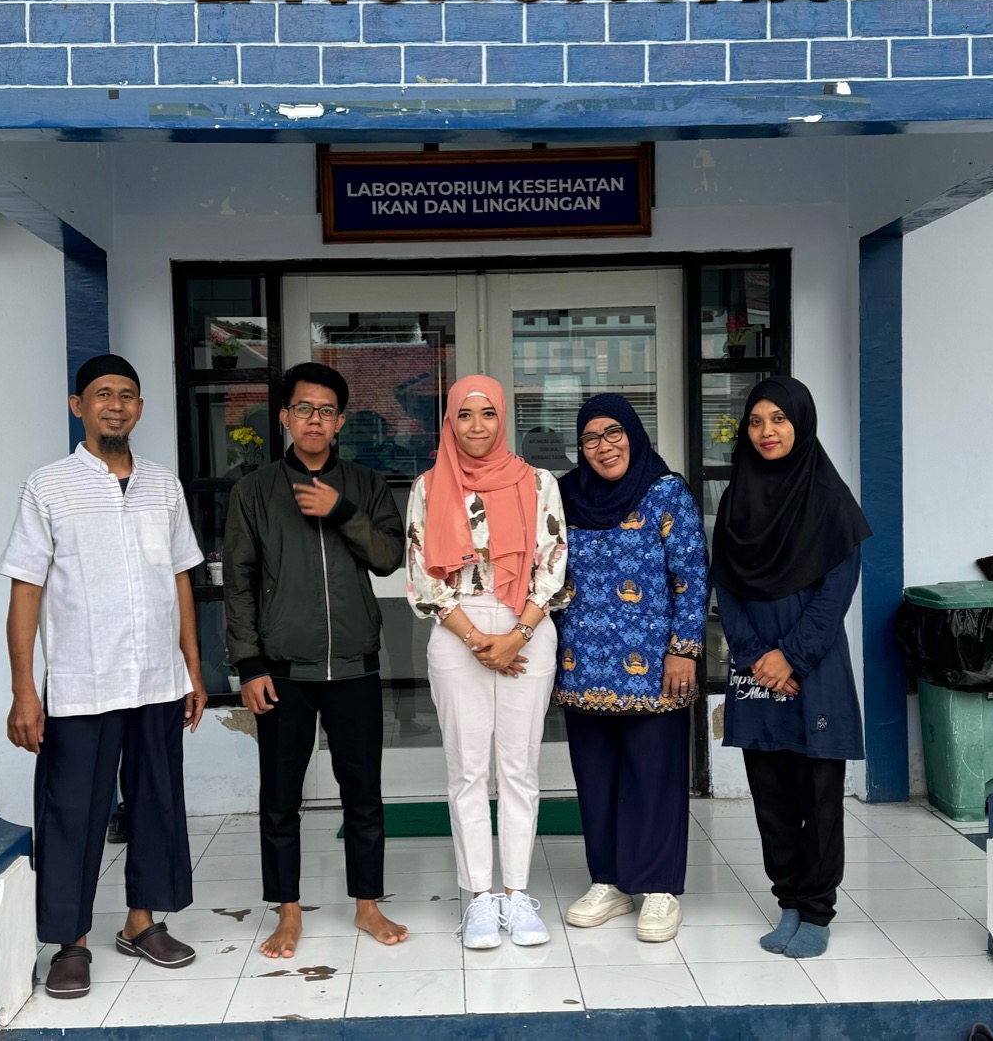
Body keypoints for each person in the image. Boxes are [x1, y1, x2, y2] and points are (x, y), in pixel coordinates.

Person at [0, 355, 207, 1000]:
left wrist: (193, 669)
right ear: (78, 406)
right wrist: (24, 690)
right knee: (72, 813)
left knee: (156, 805)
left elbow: (180, 579)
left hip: (157, 680)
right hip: (82, 684)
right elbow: (26, 590)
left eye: (127, 395)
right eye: (102, 394)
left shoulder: (163, 486)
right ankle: (72, 942)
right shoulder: (49, 487)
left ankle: (143, 922)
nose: (115, 405)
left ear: (140, 408)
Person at [223, 361, 409, 960]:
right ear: (284, 416)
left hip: (354, 665)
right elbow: (239, 583)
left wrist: (341, 510)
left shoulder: (365, 484)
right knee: (281, 798)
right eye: (303, 408)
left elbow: (389, 557)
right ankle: (288, 910)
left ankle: (368, 904)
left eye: (326, 411)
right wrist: (249, 665)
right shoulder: (254, 491)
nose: (314, 419)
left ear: (341, 422)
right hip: (282, 671)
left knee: (364, 793)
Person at [406, 375, 568, 950]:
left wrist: (516, 635)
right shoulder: (429, 485)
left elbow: (553, 564)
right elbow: (422, 572)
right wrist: (478, 639)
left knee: (519, 769)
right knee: (468, 770)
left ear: (503, 419)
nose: (477, 426)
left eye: (488, 414)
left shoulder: (539, 482)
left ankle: (517, 894)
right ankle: (479, 896)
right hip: (458, 631)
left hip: (529, 625)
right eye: (465, 415)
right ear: (450, 422)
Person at [711, 377, 870, 960]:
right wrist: (756, 655)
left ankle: (818, 908)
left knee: (819, 794)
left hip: (813, 667)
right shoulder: (736, 501)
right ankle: (788, 901)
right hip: (757, 669)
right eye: (756, 421)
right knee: (770, 795)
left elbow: (835, 593)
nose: (767, 431)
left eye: (778, 419)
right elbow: (726, 586)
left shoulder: (830, 500)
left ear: (801, 423)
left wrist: (790, 657)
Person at [553, 395, 708, 943]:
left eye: (613, 432)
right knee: (596, 779)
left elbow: (691, 575)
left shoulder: (666, 493)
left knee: (654, 776)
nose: (603, 446)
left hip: (654, 666)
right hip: (582, 664)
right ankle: (609, 881)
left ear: (634, 434)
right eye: (590, 438)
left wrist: (685, 648)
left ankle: (660, 887)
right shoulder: (566, 497)